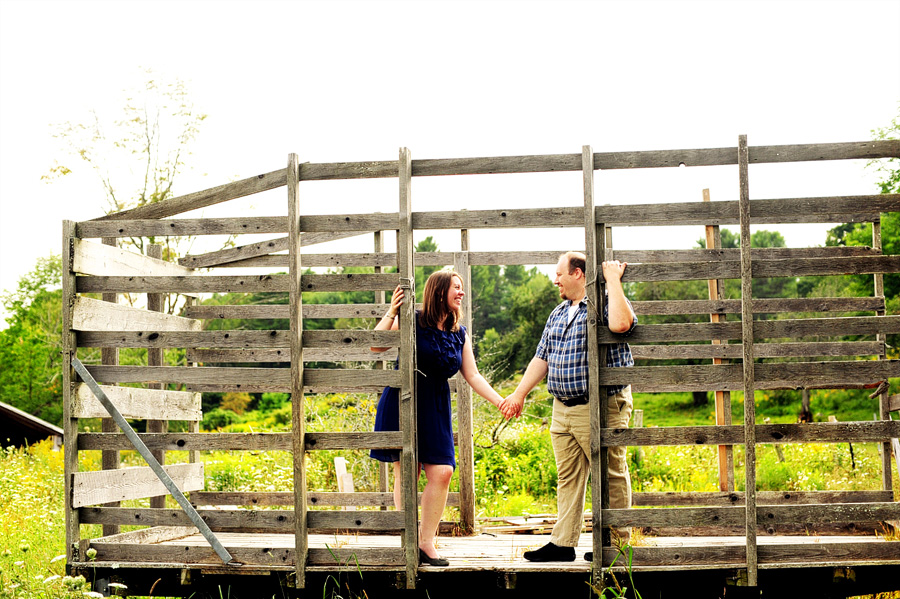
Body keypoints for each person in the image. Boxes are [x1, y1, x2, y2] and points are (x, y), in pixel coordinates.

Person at [500, 252, 637, 562]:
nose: (555, 279)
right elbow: (542, 357)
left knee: (611, 473)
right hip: (562, 407)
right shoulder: (559, 312)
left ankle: (616, 546)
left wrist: (613, 280)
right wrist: (519, 394)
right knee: (568, 476)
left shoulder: (606, 302)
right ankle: (562, 544)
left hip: (601, 406)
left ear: (578, 273)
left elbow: (621, 324)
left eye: (560, 273)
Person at [370, 270, 505, 567]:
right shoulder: (413, 319)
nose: (462, 293)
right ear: (439, 291)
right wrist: (392, 311)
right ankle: (410, 541)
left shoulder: (460, 332)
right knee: (407, 471)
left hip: (436, 403)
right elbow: (377, 346)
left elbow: (473, 375)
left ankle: (425, 541)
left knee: (443, 471)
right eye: (457, 287)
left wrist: (500, 401)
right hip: (403, 398)